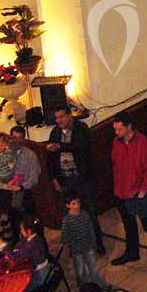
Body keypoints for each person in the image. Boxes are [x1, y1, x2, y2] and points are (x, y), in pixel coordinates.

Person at [110, 112, 147, 278]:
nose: (116, 133)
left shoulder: (143, 143)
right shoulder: (116, 142)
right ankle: (132, 252)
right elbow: (114, 164)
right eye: (115, 129)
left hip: (138, 194)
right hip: (121, 192)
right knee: (129, 225)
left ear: (129, 127)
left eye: (119, 129)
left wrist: (143, 190)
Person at [46, 106, 105, 253]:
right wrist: (54, 178)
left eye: (62, 117)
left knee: (90, 213)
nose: (59, 120)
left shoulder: (81, 128)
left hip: (82, 179)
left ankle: (98, 243)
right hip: (65, 180)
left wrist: (59, 146)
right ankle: (76, 246)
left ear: (69, 116)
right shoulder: (55, 132)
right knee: (70, 216)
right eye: (57, 118)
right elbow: (51, 159)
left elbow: (80, 146)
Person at [61, 191, 105, 286]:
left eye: (78, 202)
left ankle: (99, 285)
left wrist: (93, 243)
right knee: (80, 270)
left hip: (88, 246)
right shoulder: (67, 220)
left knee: (93, 267)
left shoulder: (84, 214)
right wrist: (68, 248)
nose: (77, 206)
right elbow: (64, 236)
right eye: (74, 204)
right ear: (67, 205)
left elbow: (90, 229)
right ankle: (83, 286)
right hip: (77, 250)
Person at [6, 215, 50, 292]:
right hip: (46, 269)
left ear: (28, 231)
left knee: (18, 289)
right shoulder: (36, 237)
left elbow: (16, 257)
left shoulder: (31, 245)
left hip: (41, 275)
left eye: (21, 230)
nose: (21, 232)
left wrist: (5, 249)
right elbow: (21, 243)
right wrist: (16, 249)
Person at [0, 132, 25, 210]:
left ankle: (16, 207)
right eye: (0, 146)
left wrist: (14, 181)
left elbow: (16, 168)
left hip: (12, 176)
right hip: (0, 177)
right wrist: (5, 186)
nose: (3, 148)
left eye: (4, 145)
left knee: (18, 186)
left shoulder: (11, 152)